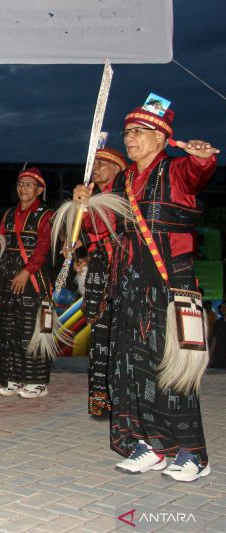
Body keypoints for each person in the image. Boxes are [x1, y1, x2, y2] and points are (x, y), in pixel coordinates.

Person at [74, 100, 218, 481]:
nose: (130, 138)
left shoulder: (176, 170)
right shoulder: (121, 183)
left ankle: (192, 454)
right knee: (131, 369)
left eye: (138, 132)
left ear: (161, 137)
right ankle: (147, 445)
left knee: (172, 370)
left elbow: (199, 171)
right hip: (129, 286)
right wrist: (86, 208)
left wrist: (202, 157)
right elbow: (102, 232)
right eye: (128, 132)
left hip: (170, 284)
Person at [0, 167, 55, 398]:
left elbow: (43, 247)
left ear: (39, 189)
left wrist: (26, 271)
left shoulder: (46, 215)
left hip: (33, 279)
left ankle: (37, 382)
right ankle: (13, 379)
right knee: (9, 331)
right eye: (20, 184)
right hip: (8, 278)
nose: (23, 188)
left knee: (32, 330)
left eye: (29, 184)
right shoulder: (9, 214)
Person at [81, 147, 128, 418]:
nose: (95, 168)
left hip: (123, 270)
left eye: (101, 163)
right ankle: (101, 405)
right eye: (94, 163)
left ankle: (123, 404)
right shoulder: (93, 199)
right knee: (99, 338)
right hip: (99, 271)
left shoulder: (124, 197)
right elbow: (83, 227)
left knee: (122, 339)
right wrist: (81, 204)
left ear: (117, 168)